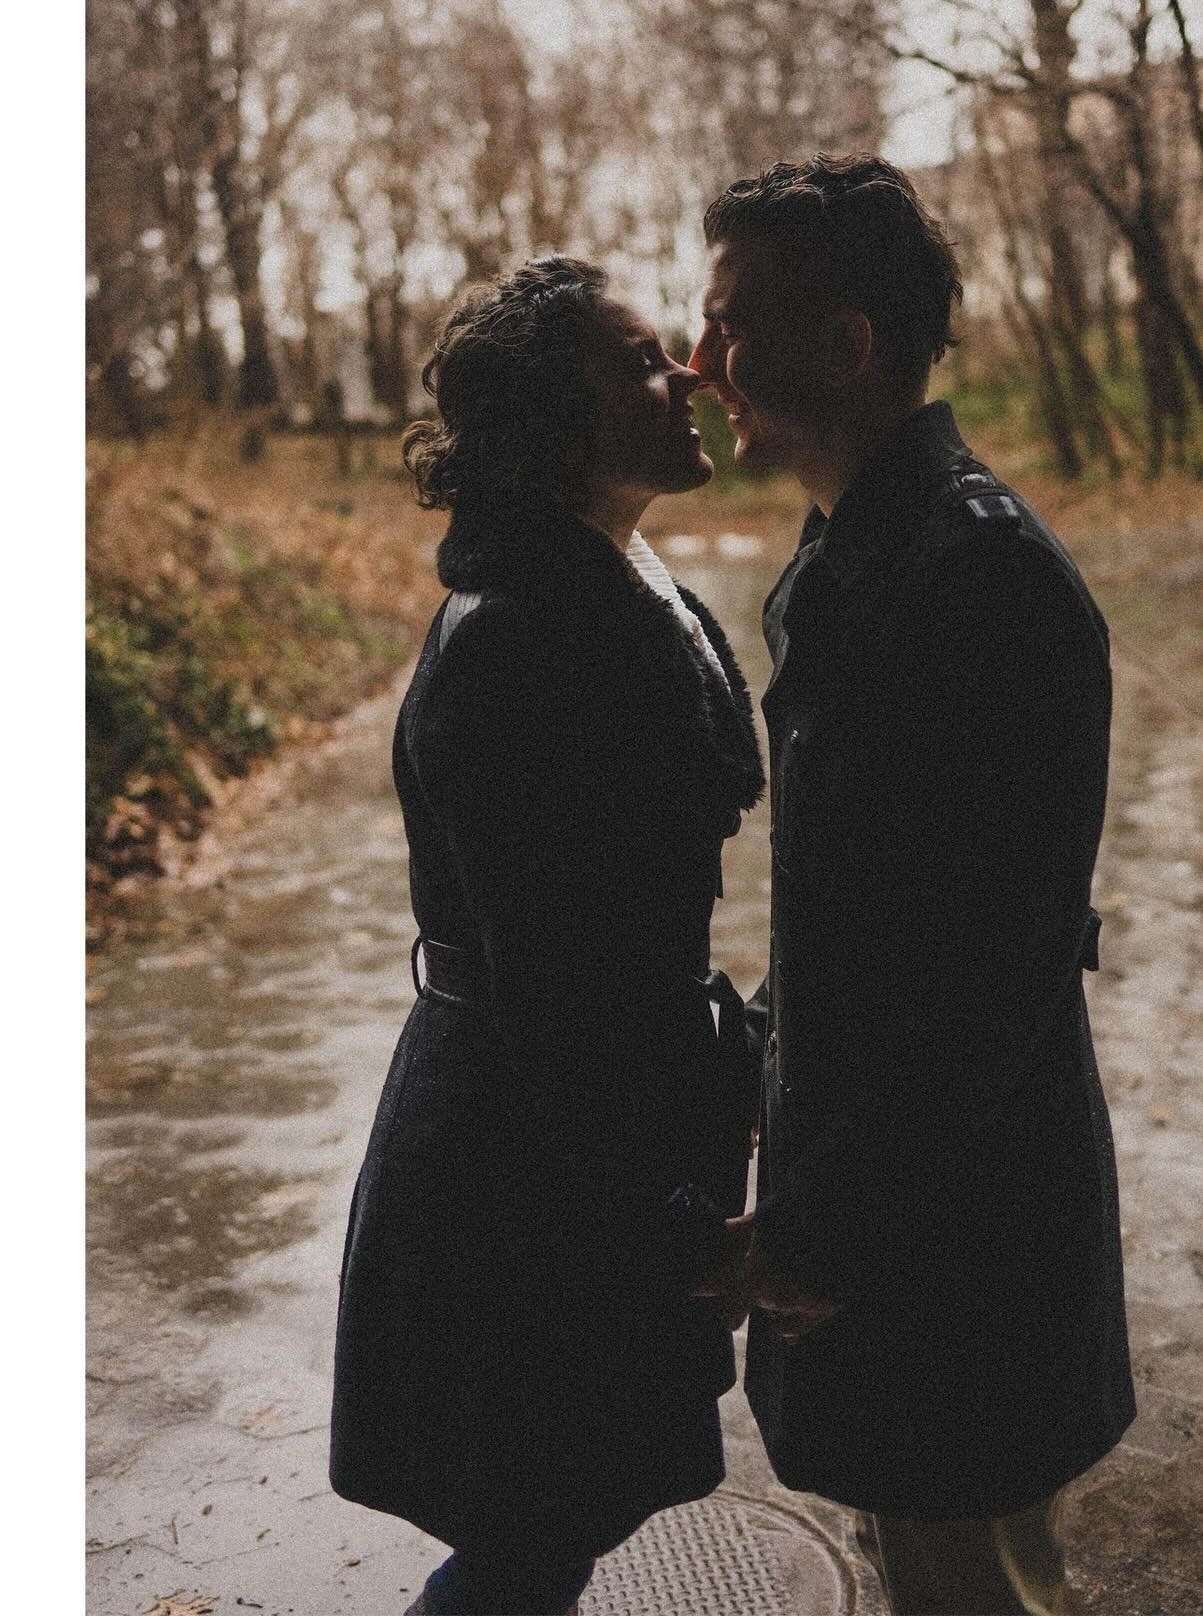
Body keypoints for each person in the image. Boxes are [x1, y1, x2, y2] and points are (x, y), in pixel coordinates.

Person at [688, 156, 1136, 1616]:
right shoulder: (858, 549)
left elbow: (980, 982)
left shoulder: (971, 576)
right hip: (908, 1228)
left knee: (976, 1576)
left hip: (963, 1246)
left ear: (850, 341)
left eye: (733, 322)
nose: (706, 364)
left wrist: (835, 1230)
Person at [329, 257, 765, 1616]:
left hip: (546, 1141)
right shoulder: (533, 639)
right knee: (534, 1526)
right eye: (639, 364)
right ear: (547, 422)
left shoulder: (606, 581)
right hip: (528, 1172)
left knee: (550, 1520)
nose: (685, 375)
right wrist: (672, 1224)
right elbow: (571, 996)